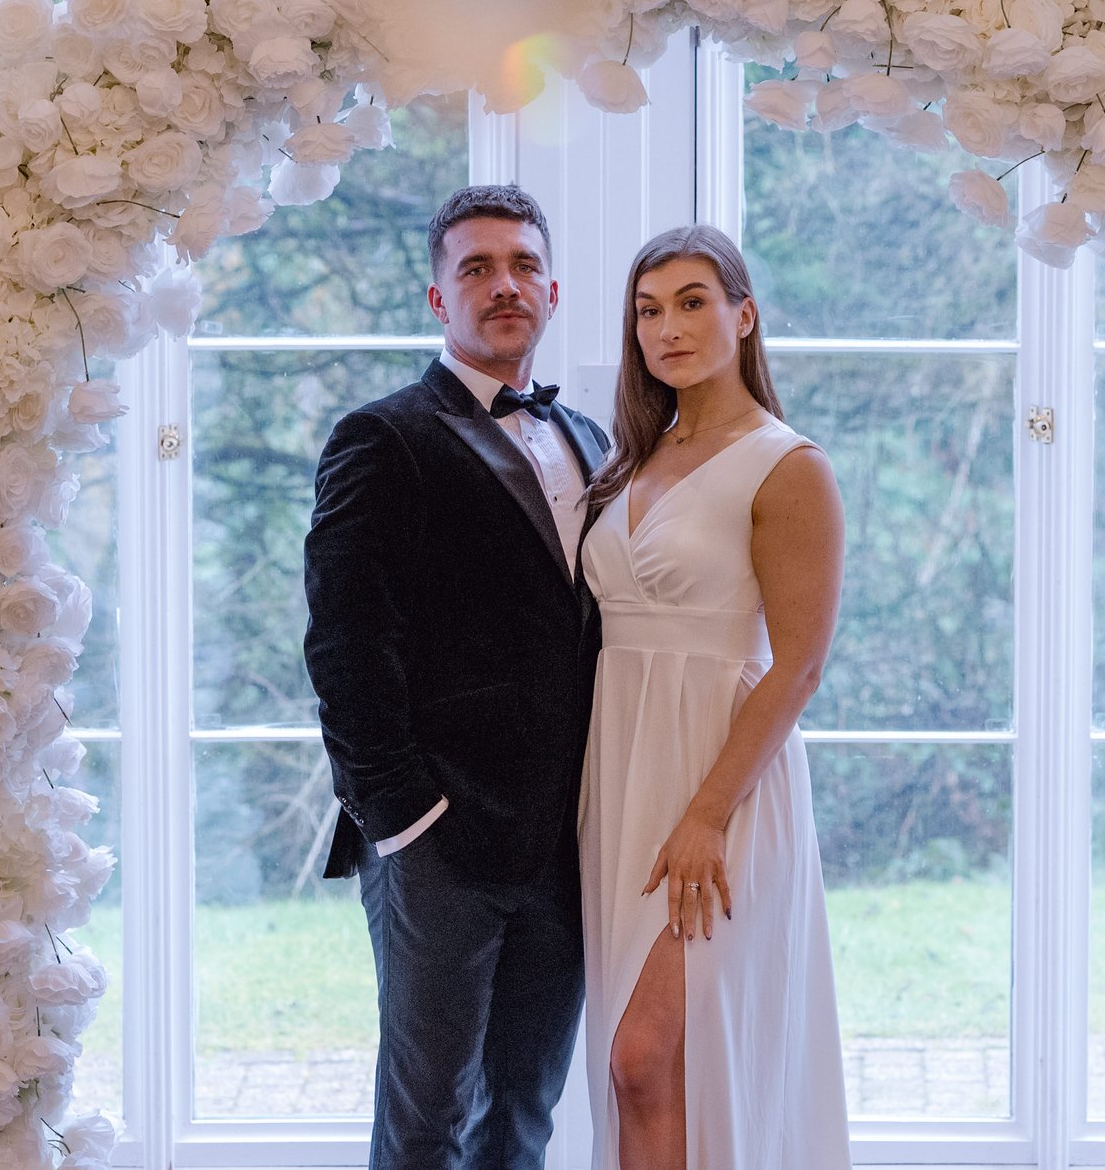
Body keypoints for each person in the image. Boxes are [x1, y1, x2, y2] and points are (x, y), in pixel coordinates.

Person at [302, 183, 612, 1170]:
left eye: (521, 264)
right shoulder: (381, 437)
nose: (502, 284)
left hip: (566, 839)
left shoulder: (592, 440)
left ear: (552, 289)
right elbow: (344, 643)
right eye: (474, 267)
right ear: (438, 299)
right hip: (440, 841)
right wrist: (404, 816)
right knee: (428, 1116)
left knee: (522, 1106)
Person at [579, 224, 852, 1169]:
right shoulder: (630, 461)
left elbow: (800, 665)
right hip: (622, 781)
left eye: (693, 301)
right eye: (648, 310)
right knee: (643, 1073)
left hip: (722, 786)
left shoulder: (788, 464)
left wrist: (706, 814)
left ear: (744, 314)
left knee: (643, 1054)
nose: (668, 327)